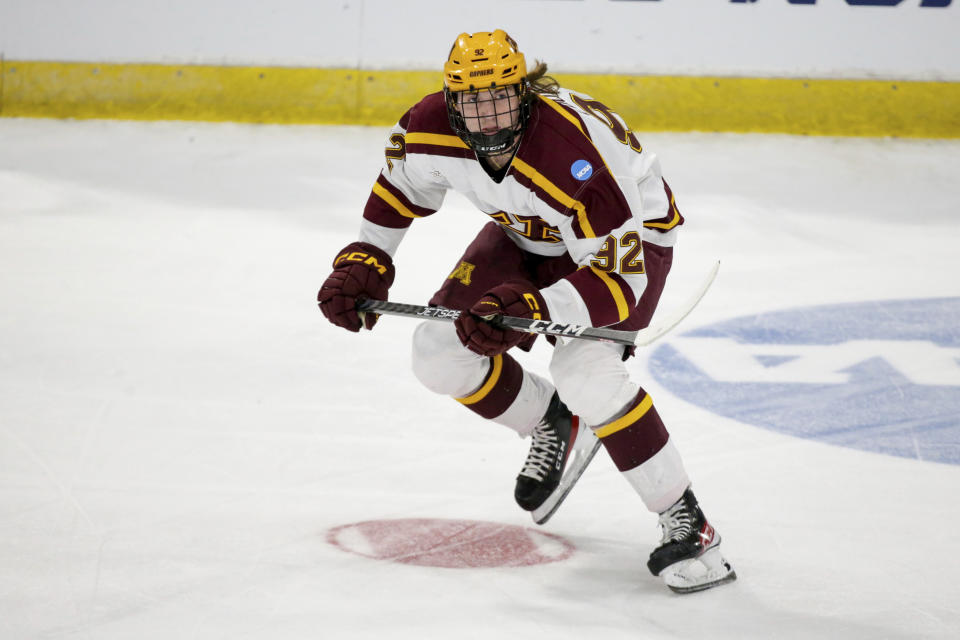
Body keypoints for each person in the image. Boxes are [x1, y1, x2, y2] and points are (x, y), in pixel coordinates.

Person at [318, 29, 736, 593]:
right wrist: (368, 255)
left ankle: (689, 521)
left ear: (524, 92)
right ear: (450, 102)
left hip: (629, 244)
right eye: (471, 102)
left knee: (586, 373)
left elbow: (622, 277)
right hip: (527, 235)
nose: (487, 119)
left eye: (499, 99)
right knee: (437, 354)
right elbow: (397, 188)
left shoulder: (574, 157)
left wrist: (535, 305)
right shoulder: (428, 125)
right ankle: (550, 421)